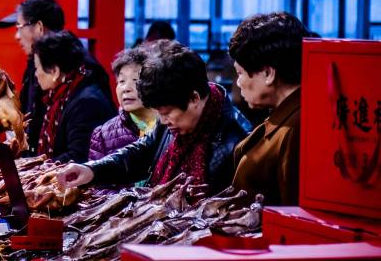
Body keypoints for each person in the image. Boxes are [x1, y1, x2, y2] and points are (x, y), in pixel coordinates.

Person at [58, 42, 251, 194]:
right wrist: (92, 170)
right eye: (159, 113)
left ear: (194, 98)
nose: (163, 121)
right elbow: (143, 152)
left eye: (167, 113)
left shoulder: (238, 141)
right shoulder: (172, 119)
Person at [0, 0, 114, 155]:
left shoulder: (82, 75)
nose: (17, 36)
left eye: (19, 26)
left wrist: (37, 165)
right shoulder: (36, 63)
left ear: (39, 27)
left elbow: (82, 153)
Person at [229, 12, 311, 206]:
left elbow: (292, 211)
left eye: (240, 73)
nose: (238, 83)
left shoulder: (296, 127)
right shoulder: (288, 115)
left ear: (268, 73)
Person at [32, 30, 116, 163]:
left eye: (37, 68)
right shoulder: (59, 95)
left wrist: (36, 168)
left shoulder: (87, 103)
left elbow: (79, 157)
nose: (36, 74)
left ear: (55, 71)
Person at [89, 47, 158, 161]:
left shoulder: (172, 126)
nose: (126, 88)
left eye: (136, 80)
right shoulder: (102, 135)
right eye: (121, 81)